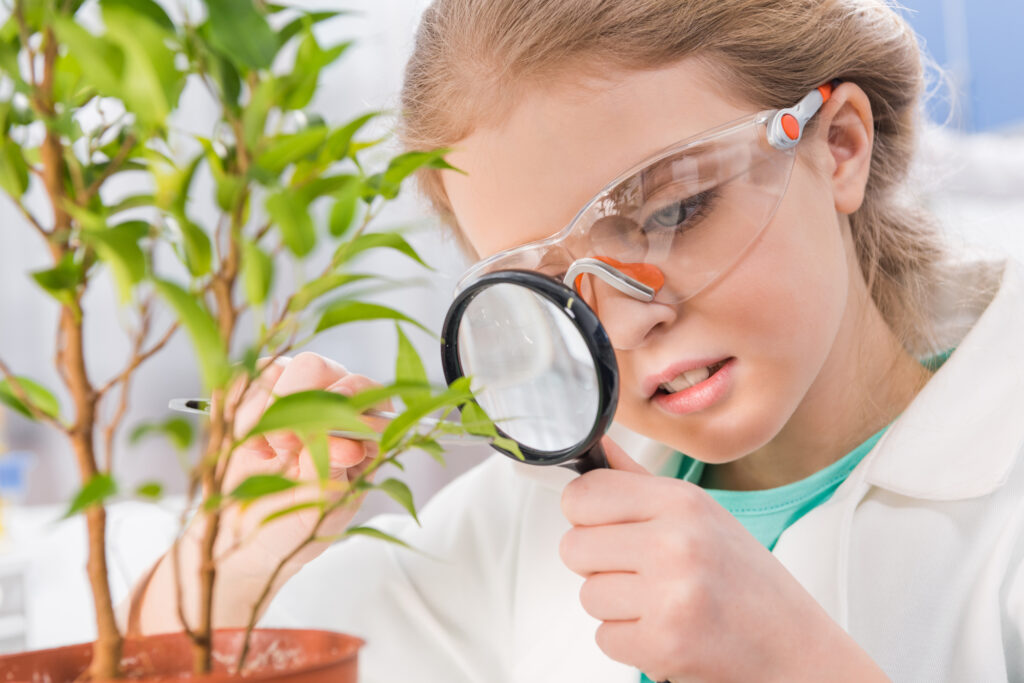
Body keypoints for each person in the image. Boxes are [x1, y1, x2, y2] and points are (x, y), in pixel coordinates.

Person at [132, 1, 1024, 681]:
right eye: (551, 286)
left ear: (838, 145)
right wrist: (236, 557)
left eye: (675, 209)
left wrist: (799, 663)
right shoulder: (522, 519)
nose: (627, 322)